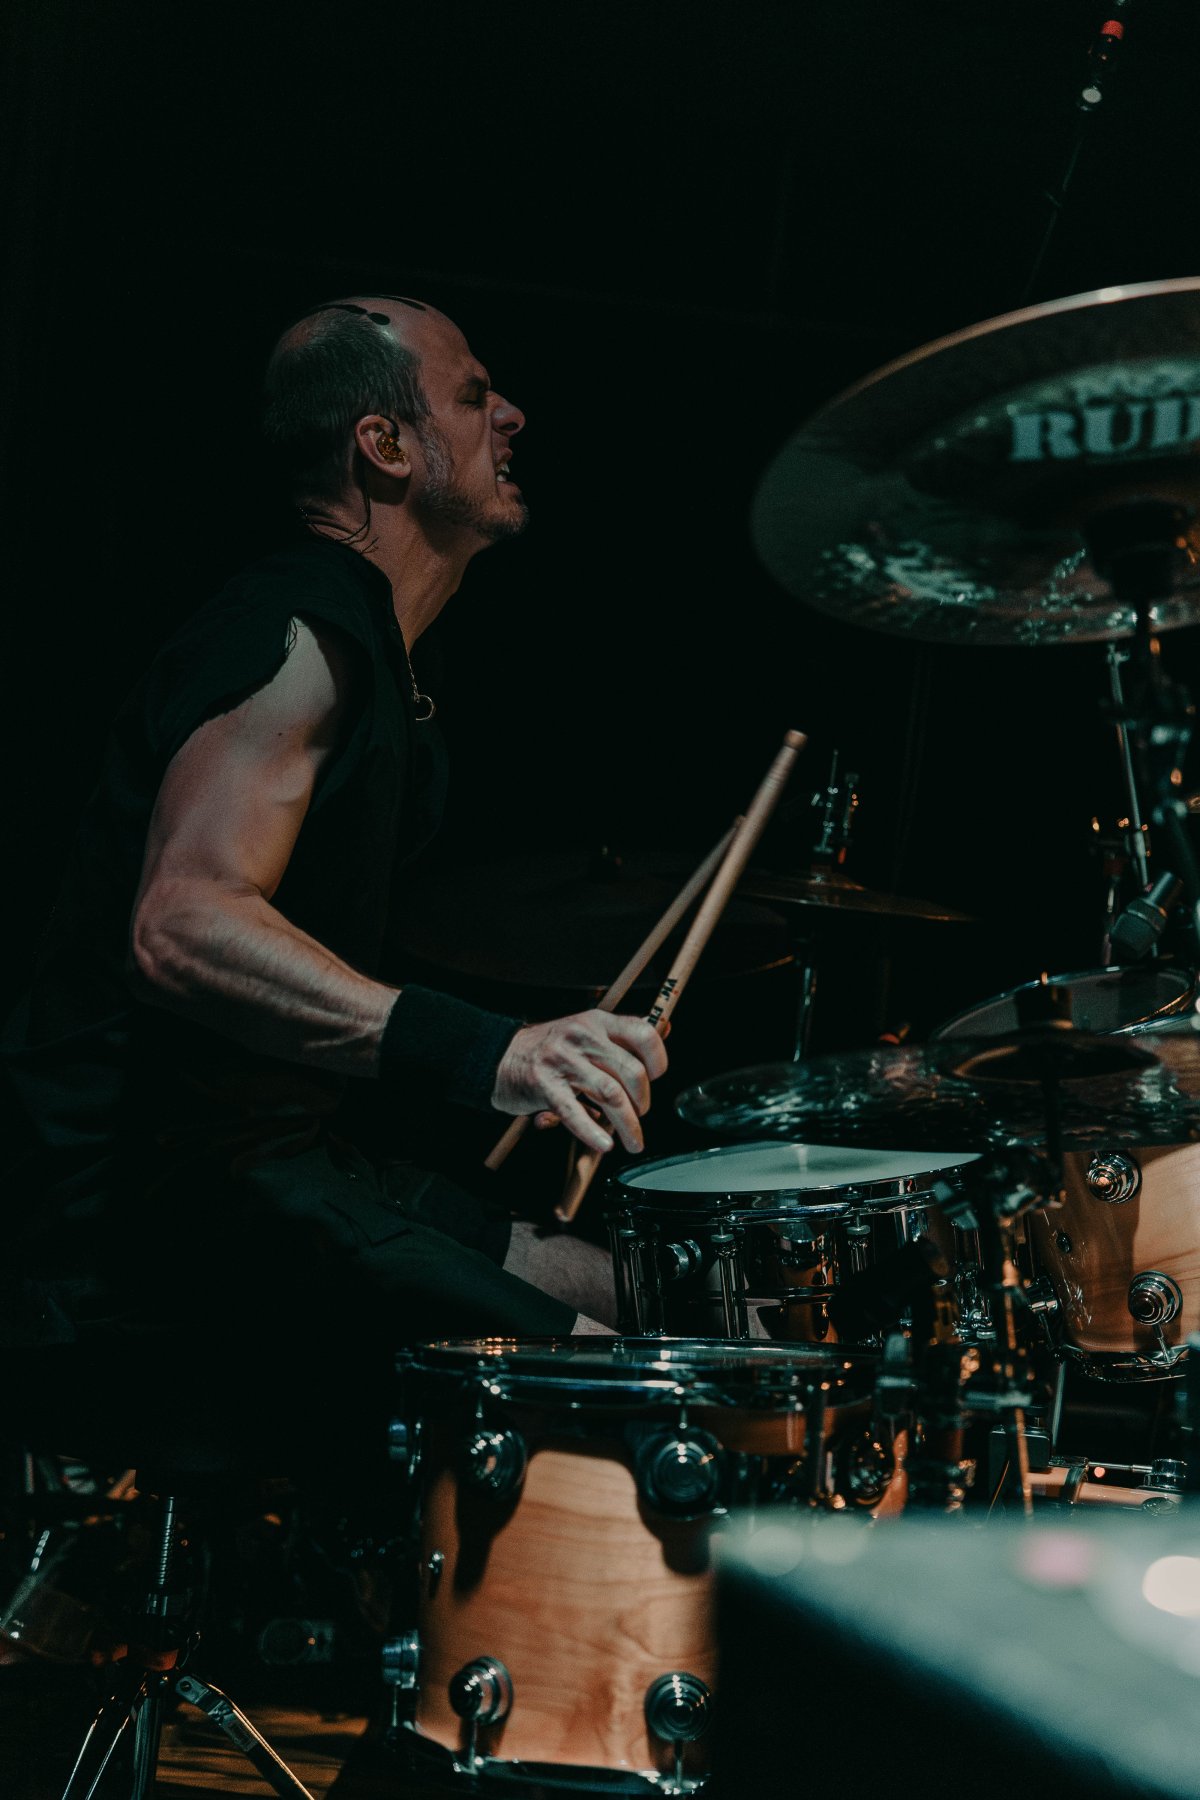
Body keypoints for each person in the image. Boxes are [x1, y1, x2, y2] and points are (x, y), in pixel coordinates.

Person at [1, 294, 667, 1406]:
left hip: (285, 1163)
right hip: (143, 1211)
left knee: (665, 1304)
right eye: (472, 395)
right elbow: (184, 925)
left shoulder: (381, 655)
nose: (511, 415)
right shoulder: (303, 628)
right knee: (630, 1389)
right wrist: (496, 1054)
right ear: (385, 446)